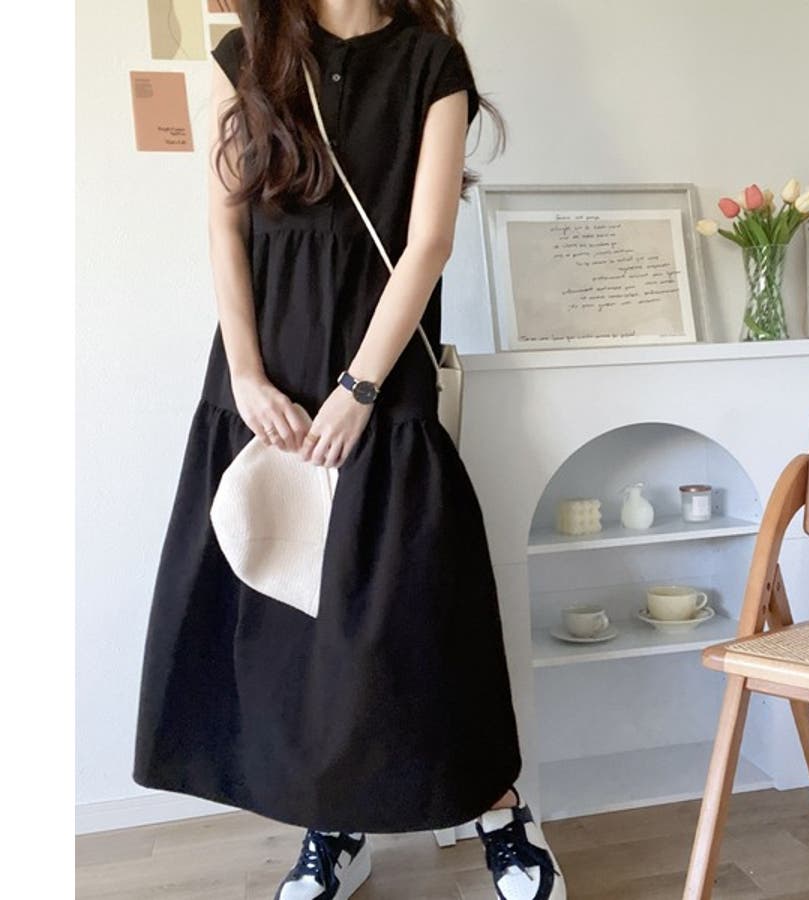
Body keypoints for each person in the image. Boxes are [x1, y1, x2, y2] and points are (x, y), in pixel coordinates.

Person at [131, 2, 566, 898]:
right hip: (267, 372)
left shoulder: (430, 63)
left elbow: (428, 242)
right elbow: (224, 223)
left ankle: (499, 811)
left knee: (415, 613)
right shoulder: (243, 56)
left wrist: (362, 388)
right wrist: (246, 376)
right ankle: (333, 826)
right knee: (293, 622)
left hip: (379, 367)